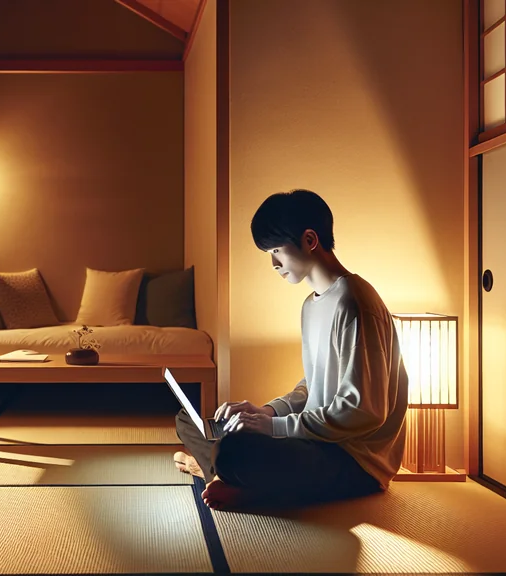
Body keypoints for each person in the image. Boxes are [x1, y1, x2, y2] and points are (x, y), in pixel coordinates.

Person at [173, 189, 409, 510]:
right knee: (190, 422)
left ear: (310, 240)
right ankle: (224, 476)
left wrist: (274, 428)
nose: (273, 263)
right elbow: (312, 387)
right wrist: (266, 412)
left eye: (276, 251)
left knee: (232, 452)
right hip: (317, 442)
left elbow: (364, 411)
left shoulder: (355, 303)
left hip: (354, 460)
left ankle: (227, 476)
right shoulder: (311, 306)